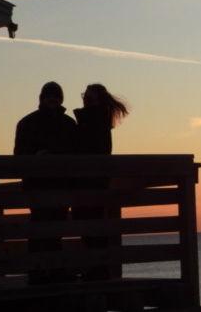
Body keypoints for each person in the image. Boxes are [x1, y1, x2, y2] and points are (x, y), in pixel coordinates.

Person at [13, 82, 79, 285]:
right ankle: (37, 271)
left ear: (61, 99)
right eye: (49, 96)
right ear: (42, 98)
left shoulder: (69, 124)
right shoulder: (27, 123)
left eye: (56, 96)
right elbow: (19, 155)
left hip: (61, 185)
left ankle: (56, 270)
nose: (53, 99)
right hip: (37, 185)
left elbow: (76, 153)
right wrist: (36, 157)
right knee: (39, 228)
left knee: (56, 229)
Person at [73, 84, 129, 281]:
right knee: (91, 223)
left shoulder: (94, 120)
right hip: (93, 181)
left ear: (96, 100)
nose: (85, 99)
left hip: (90, 181)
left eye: (88, 97)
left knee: (91, 224)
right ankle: (97, 268)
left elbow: (86, 148)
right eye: (84, 96)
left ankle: (97, 269)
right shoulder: (98, 119)